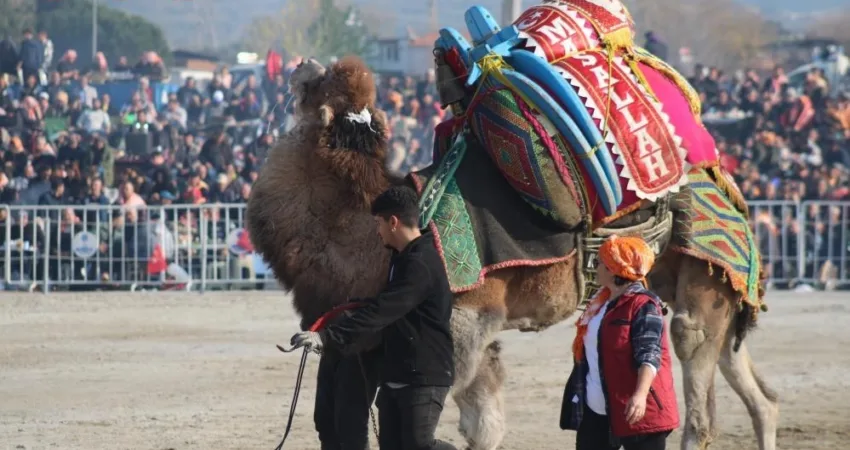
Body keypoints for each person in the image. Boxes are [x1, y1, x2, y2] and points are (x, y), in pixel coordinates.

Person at [291, 185, 457, 450]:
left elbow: (385, 309)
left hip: (424, 375)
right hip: (396, 372)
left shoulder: (421, 263)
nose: (376, 230)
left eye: (378, 223)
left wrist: (326, 337)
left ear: (393, 222)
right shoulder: (401, 258)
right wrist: (355, 306)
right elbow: (387, 304)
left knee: (419, 445)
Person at [560, 235, 678, 450]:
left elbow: (650, 354)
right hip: (597, 410)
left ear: (614, 269)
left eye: (599, 263)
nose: (594, 268)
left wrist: (640, 396)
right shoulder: (599, 303)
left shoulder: (644, 305)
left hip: (637, 410)